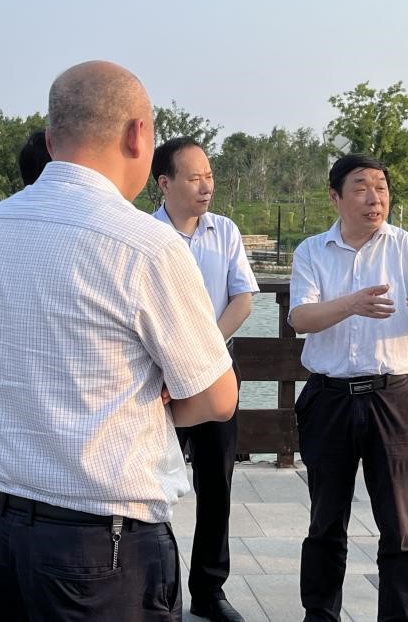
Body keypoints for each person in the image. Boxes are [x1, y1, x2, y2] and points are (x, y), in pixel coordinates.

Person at [0, 60, 238, 621]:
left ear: (51, 139)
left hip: (0, 530)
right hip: (99, 545)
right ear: (138, 135)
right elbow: (217, 397)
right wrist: (151, 402)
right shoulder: (146, 244)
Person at [289, 154, 408, 622]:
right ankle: (319, 615)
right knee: (325, 521)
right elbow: (300, 318)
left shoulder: (407, 247)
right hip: (329, 398)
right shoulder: (312, 251)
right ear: (336, 197)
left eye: (381, 187)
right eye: (362, 187)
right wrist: (350, 305)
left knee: (399, 524)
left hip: (392, 398)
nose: (375, 197)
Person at [151, 137, 259, 622]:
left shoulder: (225, 231)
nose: (205, 186)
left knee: (217, 485)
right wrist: (178, 363)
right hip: (158, 382)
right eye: (194, 177)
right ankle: (157, 586)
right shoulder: (145, 234)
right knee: (154, 486)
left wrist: (200, 354)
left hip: (215, 375)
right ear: (165, 183)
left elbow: (243, 299)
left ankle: (209, 590)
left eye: (209, 176)